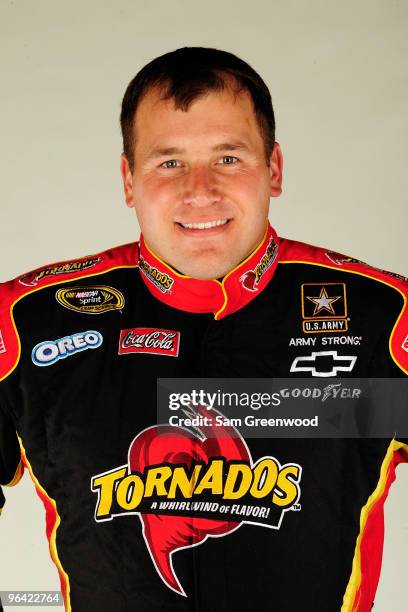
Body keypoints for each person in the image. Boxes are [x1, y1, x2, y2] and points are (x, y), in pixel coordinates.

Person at [0, 46, 407, 612]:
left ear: (274, 168)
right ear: (128, 178)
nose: (200, 190)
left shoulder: (382, 315)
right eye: (169, 162)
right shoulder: (25, 321)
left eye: (229, 158)